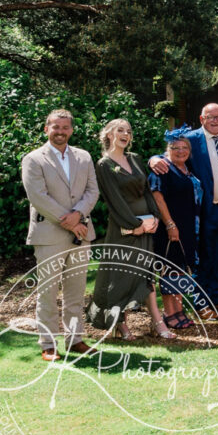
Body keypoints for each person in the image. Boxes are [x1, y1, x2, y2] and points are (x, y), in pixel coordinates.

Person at [155, 103, 218, 320]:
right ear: (201, 118)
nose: (215, 120)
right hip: (204, 210)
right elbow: (170, 154)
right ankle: (201, 303)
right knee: (202, 258)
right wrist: (155, 159)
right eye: (210, 117)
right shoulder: (192, 139)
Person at [22, 110, 101, 361]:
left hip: (81, 231)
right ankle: (48, 344)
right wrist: (70, 222)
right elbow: (37, 196)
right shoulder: (33, 159)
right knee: (47, 292)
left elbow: (92, 190)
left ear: (72, 130)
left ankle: (75, 339)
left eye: (65, 127)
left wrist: (78, 215)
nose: (60, 132)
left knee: (76, 291)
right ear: (46, 129)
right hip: (49, 234)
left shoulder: (84, 156)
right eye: (56, 127)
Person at [90, 119, 168, 340]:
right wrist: (135, 225)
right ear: (109, 135)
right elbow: (113, 200)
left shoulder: (135, 159)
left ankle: (157, 321)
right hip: (125, 227)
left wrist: (154, 217)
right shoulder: (103, 164)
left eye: (129, 131)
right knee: (121, 274)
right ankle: (120, 324)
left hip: (146, 224)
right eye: (120, 130)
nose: (126, 134)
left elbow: (146, 191)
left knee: (146, 274)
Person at [148, 130, 201, 333]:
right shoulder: (163, 169)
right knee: (169, 268)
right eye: (175, 148)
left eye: (184, 147)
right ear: (167, 150)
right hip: (170, 227)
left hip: (188, 226)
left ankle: (179, 310)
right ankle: (169, 313)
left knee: (179, 268)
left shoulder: (187, 168)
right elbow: (157, 196)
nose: (180, 151)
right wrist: (170, 224)